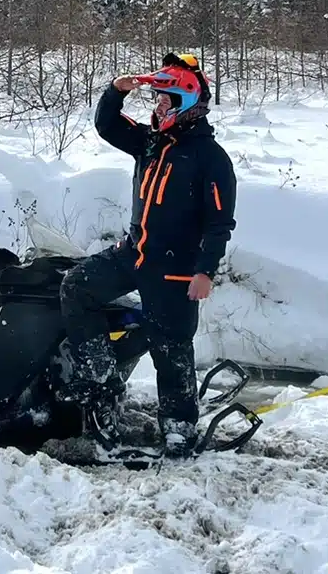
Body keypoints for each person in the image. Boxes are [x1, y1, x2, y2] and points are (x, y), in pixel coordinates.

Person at [60, 52, 236, 458]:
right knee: (76, 286)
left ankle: (178, 427)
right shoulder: (150, 143)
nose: (158, 107)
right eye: (156, 100)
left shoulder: (211, 158)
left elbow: (218, 224)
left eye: (165, 101)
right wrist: (114, 92)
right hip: (133, 252)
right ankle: (100, 374)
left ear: (187, 103)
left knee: (171, 348)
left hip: (175, 269)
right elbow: (107, 125)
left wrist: (205, 271)